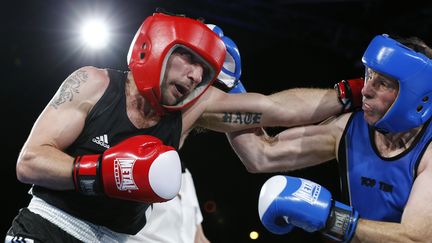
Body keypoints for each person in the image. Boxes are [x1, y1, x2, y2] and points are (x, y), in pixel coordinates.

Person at [6, 10, 351, 242]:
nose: (197, 75)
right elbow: (30, 161)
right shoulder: (92, 83)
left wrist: (349, 94)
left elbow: (274, 108)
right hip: (48, 227)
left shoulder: (191, 111)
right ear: (158, 48)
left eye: (205, 70)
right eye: (190, 59)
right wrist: (102, 173)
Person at [228, 34, 432, 242]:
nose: (365, 89)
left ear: (414, 95)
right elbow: (261, 155)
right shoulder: (350, 129)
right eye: (369, 75)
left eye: (383, 84)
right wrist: (229, 85)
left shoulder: (429, 151)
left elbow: (417, 238)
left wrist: (333, 219)